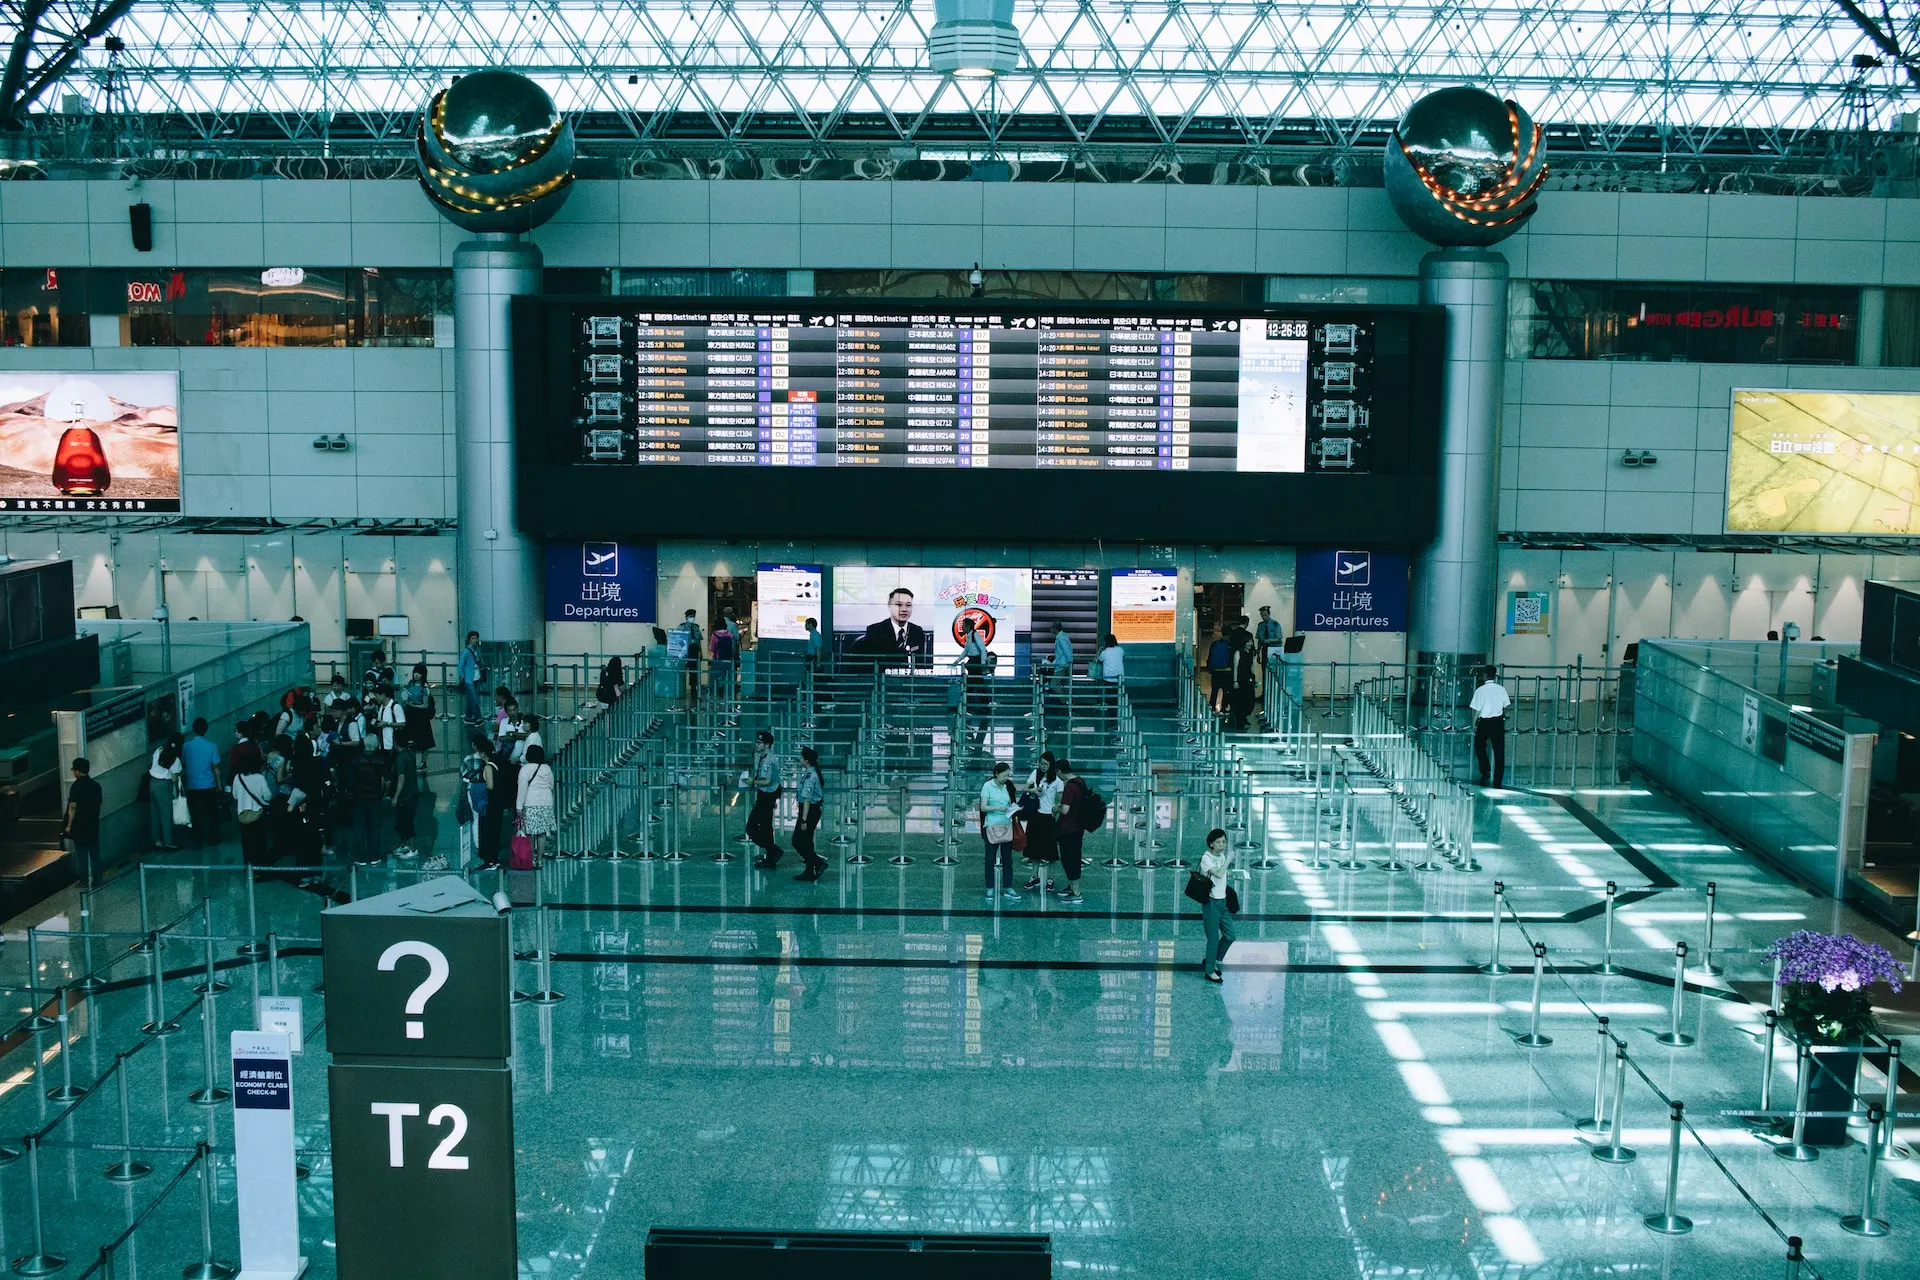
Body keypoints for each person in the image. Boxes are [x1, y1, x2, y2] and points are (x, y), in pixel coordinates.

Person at [1197, 828, 1236, 982]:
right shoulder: (1206, 859)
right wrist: (1229, 859)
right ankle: (1209, 970)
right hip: (1211, 903)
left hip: (1223, 901)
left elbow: (1223, 874)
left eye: (1224, 841)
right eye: (1218, 842)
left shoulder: (1221, 856)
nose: (1222, 845)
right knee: (1213, 939)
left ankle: (1212, 959)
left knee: (1230, 935)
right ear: (1211, 843)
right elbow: (1218, 873)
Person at [978, 761, 1020, 903]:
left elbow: (1012, 801)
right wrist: (997, 807)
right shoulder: (987, 786)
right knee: (990, 859)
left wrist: (1013, 808)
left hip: (1006, 826)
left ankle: (1008, 887)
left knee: (1007, 859)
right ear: (996, 774)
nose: (1006, 778)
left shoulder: (1009, 786)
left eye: (1008, 775)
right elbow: (983, 807)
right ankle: (990, 888)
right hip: (991, 826)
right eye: (1004, 775)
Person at [859, 587, 929, 670]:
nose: (904, 609)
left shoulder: (917, 631)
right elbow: (868, 666)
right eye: (899, 605)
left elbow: (919, 664)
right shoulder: (875, 631)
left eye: (908, 605)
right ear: (889, 606)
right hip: (883, 680)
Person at [744, 730, 785, 868]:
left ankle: (774, 850)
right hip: (767, 795)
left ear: (767, 744)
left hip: (766, 796)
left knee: (751, 828)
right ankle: (771, 857)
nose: (757, 745)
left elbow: (766, 781)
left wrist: (752, 782)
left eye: (760, 743)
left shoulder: (768, 760)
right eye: (757, 742)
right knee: (766, 827)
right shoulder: (766, 757)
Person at [1021, 752, 1061, 891]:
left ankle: (1051, 878)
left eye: (1045, 764)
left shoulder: (1057, 780)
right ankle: (1034, 876)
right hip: (1035, 815)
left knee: (1051, 851)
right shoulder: (1035, 774)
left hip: (1048, 817)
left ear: (1051, 765)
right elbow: (1025, 788)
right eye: (1041, 763)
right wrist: (1033, 790)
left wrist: (1055, 810)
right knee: (1033, 849)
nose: (1042, 766)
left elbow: (1061, 799)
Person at [181, 718, 223, 848]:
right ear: (206, 730)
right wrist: (219, 784)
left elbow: (184, 763)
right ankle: (213, 838)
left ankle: (197, 837)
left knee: (195, 812)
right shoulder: (212, 746)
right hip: (208, 784)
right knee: (212, 812)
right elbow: (216, 768)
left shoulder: (186, 746)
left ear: (193, 729)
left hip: (192, 784)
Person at [347, 743, 392, 864]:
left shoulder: (356, 761)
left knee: (359, 828)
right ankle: (374, 856)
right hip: (375, 798)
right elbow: (386, 780)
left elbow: (350, 779)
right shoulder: (380, 761)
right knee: (375, 828)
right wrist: (384, 793)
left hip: (359, 798)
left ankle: (360, 857)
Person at [62, 758, 103, 887]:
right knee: (95, 852)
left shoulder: (76, 787)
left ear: (77, 771)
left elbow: (73, 807)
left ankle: (84, 880)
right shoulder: (96, 786)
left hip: (79, 826)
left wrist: (68, 825)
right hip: (93, 824)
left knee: (82, 854)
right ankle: (98, 879)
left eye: (74, 770)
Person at [230, 748, 273, 866]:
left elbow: (235, 795)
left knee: (246, 843)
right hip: (258, 814)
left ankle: (248, 866)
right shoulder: (259, 778)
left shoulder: (237, 778)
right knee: (259, 842)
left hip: (243, 815)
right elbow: (268, 796)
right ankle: (260, 866)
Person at [1051, 758, 1086, 905]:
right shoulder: (1080, 781)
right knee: (1073, 856)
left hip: (1068, 829)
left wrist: (1055, 808)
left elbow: (1065, 809)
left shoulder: (1070, 787)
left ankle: (1076, 892)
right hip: (1078, 826)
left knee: (1070, 859)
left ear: (1059, 771)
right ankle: (1071, 886)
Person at [466, 732, 503, 869]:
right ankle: (494, 859)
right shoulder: (496, 764)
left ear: (482, 753)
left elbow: (490, 786)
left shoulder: (487, 767)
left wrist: (479, 786)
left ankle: (489, 861)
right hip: (497, 805)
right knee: (495, 833)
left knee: (487, 832)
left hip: (489, 805)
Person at [792, 746, 828, 882]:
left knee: (798, 841)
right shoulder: (811, 772)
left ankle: (818, 863)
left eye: (801, 758)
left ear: (806, 760)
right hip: (810, 810)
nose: (800, 760)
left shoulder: (810, 776)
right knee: (806, 841)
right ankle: (809, 871)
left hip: (809, 811)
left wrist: (803, 820)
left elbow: (807, 799)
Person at [1471, 668, 1512, 787]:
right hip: (1498, 723)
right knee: (1499, 751)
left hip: (1484, 723)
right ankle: (1498, 778)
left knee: (1479, 747)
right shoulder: (1501, 689)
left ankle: (1485, 771)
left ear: (1484, 675)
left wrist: (1474, 723)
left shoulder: (1480, 691)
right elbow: (1505, 706)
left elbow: (1477, 710)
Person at [516, 743, 555, 861]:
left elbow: (522, 789)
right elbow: (551, 785)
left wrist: (519, 806)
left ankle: (531, 858)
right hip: (546, 802)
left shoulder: (525, 769)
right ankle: (539, 859)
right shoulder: (547, 768)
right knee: (542, 833)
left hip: (530, 802)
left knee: (529, 833)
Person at [148, 735, 183, 851]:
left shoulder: (159, 750)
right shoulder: (176, 759)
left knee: (155, 815)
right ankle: (168, 842)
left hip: (152, 783)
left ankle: (157, 841)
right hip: (163, 786)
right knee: (166, 815)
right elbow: (174, 779)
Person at [1227, 619, 1258, 732]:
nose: (1251, 643)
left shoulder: (1233, 634)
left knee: (1247, 699)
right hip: (1241, 678)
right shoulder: (1239, 652)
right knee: (1242, 699)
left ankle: (1240, 717)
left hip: (1246, 678)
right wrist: (1235, 681)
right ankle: (1240, 719)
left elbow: (1250, 665)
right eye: (1249, 642)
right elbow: (1236, 666)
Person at [399, 663, 436, 750]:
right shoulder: (411, 683)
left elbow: (425, 705)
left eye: (419, 673)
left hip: (420, 715)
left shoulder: (425, 688)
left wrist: (412, 705)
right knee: (409, 739)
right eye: (415, 672)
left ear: (423, 674)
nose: (416, 675)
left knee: (422, 742)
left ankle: (423, 761)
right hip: (409, 712)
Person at [960, 616, 989, 723]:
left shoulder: (974, 635)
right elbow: (966, 650)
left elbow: (982, 649)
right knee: (973, 685)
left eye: (963, 626)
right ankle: (970, 706)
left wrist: (982, 664)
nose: (962, 628)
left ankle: (973, 706)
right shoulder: (969, 636)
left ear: (968, 626)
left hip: (976, 663)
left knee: (976, 685)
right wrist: (957, 660)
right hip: (972, 662)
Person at [459, 630, 487, 725]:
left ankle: (468, 716)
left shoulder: (478, 650)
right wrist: (462, 675)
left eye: (476, 638)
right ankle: (478, 718)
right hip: (469, 679)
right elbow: (461, 664)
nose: (475, 640)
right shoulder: (466, 651)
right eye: (473, 638)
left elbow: (481, 661)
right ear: (469, 640)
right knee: (474, 699)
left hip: (477, 677)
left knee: (472, 698)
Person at [678, 609, 703, 700]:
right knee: (683, 670)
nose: (692, 618)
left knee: (694, 671)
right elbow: (678, 640)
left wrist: (701, 652)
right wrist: (681, 650)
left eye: (693, 616)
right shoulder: (681, 627)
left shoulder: (696, 627)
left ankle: (693, 688)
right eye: (690, 616)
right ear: (686, 617)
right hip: (685, 651)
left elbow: (698, 641)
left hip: (694, 651)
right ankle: (681, 688)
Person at [1206, 629, 1232, 713]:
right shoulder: (1230, 644)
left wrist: (1209, 668)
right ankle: (1224, 707)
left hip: (1216, 671)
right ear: (1230, 633)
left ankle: (1212, 707)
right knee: (1226, 691)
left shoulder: (1215, 643)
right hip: (1227, 671)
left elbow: (1210, 657)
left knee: (1214, 690)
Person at [1255, 606, 1283, 682]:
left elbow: (1279, 639)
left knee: (1274, 672)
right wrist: (1258, 654)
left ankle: (1272, 692)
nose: (1263, 617)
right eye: (1262, 615)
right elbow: (1259, 641)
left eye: (1265, 615)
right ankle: (1264, 692)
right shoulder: (1260, 625)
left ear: (1269, 614)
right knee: (1264, 671)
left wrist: (1268, 641)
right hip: (1264, 651)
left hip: (1274, 651)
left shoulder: (1275, 624)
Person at [709, 617, 736, 693]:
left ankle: (713, 693)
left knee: (714, 678)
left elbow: (712, 648)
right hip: (729, 660)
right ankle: (729, 694)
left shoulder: (715, 635)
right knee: (729, 678)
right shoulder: (730, 634)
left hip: (718, 660)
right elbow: (733, 647)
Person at [1050, 624, 1073, 691]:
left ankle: (1065, 700)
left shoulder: (1061, 638)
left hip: (1062, 665)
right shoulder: (1062, 636)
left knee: (1053, 684)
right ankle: (1067, 700)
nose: (1050, 630)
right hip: (1064, 664)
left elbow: (1067, 651)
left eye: (1051, 628)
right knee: (1065, 684)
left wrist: (1070, 662)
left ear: (1055, 629)